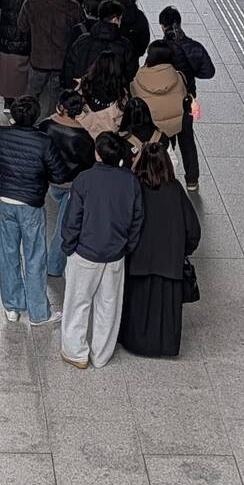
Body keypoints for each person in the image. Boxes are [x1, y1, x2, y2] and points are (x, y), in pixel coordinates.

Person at [60, 131, 143, 369]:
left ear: (97, 154)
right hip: (115, 254)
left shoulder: (84, 180)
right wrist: (128, 246)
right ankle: (101, 354)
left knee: (78, 302)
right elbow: (137, 219)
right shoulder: (130, 181)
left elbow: (73, 218)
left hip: (85, 252)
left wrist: (68, 245)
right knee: (109, 305)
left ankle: (75, 352)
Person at [0, 97, 68, 325]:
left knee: (8, 254)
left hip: (7, 203)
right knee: (34, 257)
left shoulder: (1, 134)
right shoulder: (44, 142)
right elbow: (59, 174)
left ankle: (12, 307)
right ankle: (39, 313)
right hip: (31, 205)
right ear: (35, 117)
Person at [120, 140, 201, 359]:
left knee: (138, 304)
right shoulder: (175, 190)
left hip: (139, 259)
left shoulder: (135, 187)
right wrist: (182, 250)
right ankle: (163, 346)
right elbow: (193, 229)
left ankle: (135, 342)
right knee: (165, 309)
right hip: (169, 263)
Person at [151, 8, 217, 191]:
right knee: (187, 139)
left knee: (164, 139)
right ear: (179, 23)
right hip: (186, 99)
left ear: (162, 26)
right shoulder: (193, 46)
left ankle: (165, 176)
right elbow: (209, 72)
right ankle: (192, 180)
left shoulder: (159, 49)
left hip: (164, 102)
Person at [38, 89, 95, 278]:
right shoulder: (87, 135)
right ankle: (54, 265)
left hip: (50, 181)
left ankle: (51, 265)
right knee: (63, 227)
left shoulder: (46, 126)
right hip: (72, 185)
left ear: (61, 107)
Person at [18, 0, 83, 118]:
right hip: (61, 62)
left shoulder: (31, 2)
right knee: (56, 96)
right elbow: (78, 31)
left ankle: (24, 118)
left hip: (38, 59)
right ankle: (51, 122)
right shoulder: (73, 6)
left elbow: (22, 26)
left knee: (31, 92)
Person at [130, 45, 190, 172]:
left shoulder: (138, 79)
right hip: (173, 128)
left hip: (151, 129)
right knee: (168, 148)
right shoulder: (179, 77)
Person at [63, 0, 136, 89]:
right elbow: (130, 72)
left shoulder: (83, 40)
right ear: (115, 19)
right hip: (110, 95)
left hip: (83, 91)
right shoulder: (125, 45)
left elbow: (69, 65)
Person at [75, 50, 131, 139]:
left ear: (96, 65)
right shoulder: (121, 92)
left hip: (82, 132)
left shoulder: (85, 83)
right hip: (105, 139)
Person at [110, 0, 151, 67]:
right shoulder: (140, 17)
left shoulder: (106, 13)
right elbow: (143, 43)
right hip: (130, 63)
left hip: (107, 61)